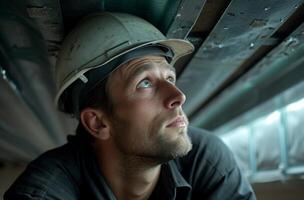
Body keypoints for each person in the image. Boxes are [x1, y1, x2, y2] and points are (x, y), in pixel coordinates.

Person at [4, 12, 256, 200]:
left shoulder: (205, 160)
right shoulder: (46, 190)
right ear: (98, 122)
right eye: (144, 83)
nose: (178, 96)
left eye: (169, 78)